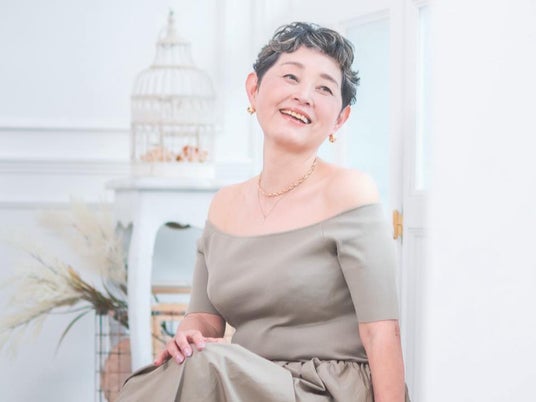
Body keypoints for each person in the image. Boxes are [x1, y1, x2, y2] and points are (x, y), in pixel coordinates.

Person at [117, 21, 410, 402]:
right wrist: (189, 337)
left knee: (203, 367)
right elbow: (204, 318)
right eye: (291, 77)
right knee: (160, 376)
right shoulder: (224, 205)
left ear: (340, 119)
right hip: (246, 380)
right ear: (253, 89)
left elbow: (381, 331)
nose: (304, 95)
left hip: (325, 386)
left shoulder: (349, 192)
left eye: (324, 88)